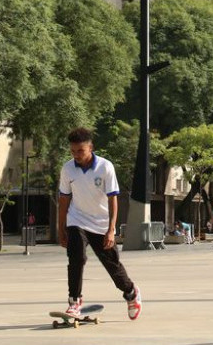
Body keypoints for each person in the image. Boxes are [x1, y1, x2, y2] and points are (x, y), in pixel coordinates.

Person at [58, 126, 141, 321]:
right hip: (76, 219)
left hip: (101, 224)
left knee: (112, 266)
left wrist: (111, 229)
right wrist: (61, 227)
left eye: (80, 151)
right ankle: (74, 301)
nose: (76, 155)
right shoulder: (67, 169)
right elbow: (63, 200)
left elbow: (113, 199)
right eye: (73, 151)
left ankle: (131, 293)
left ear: (90, 147)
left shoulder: (105, 167)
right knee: (76, 257)